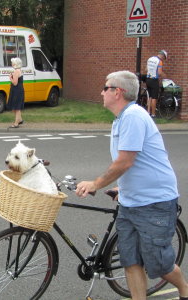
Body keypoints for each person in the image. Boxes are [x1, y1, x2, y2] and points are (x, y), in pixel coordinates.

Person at [75, 70, 188, 300]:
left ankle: (185, 289)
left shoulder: (134, 116)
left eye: (105, 88)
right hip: (131, 202)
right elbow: (135, 162)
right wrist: (121, 188)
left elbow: (125, 161)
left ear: (118, 92)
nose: (101, 92)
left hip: (155, 203)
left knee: (159, 266)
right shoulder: (120, 119)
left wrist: (96, 183)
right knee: (131, 261)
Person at [145, 50, 167, 118]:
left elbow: (146, 69)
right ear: (163, 56)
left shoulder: (150, 59)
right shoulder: (159, 61)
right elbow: (160, 72)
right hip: (154, 80)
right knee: (154, 97)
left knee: (150, 96)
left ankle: (148, 112)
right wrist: (165, 76)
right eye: (164, 58)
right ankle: (153, 114)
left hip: (148, 79)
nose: (163, 60)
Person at [7, 57, 24, 128]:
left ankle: (16, 123)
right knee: (15, 107)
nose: (11, 63)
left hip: (17, 90)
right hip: (18, 90)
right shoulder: (19, 70)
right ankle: (19, 119)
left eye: (12, 62)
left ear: (15, 64)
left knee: (16, 107)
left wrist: (10, 78)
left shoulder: (16, 71)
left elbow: (15, 83)